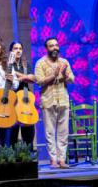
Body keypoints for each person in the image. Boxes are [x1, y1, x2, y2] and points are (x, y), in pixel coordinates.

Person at [35, 37, 75, 169]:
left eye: (56, 45)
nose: (55, 48)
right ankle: (53, 160)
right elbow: (39, 81)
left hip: (63, 100)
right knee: (50, 132)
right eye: (51, 46)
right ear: (46, 48)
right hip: (48, 100)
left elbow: (72, 79)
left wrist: (64, 74)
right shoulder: (40, 63)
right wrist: (54, 75)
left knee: (64, 132)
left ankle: (62, 159)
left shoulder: (64, 62)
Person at [8, 41, 36, 150]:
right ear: (11, 51)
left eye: (20, 48)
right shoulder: (8, 64)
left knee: (28, 130)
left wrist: (19, 76)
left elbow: (33, 79)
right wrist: (25, 77)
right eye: (15, 48)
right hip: (13, 100)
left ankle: (29, 156)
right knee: (12, 133)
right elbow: (9, 76)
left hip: (25, 100)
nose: (18, 50)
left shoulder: (25, 64)